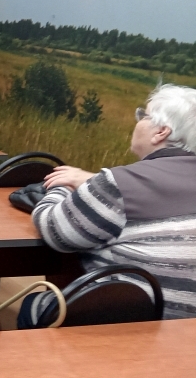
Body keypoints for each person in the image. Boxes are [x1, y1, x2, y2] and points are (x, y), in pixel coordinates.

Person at [21, 84, 196, 327]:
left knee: (33, 304)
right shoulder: (128, 184)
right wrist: (90, 181)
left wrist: (60, 187)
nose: (138, 122)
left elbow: (55, 231)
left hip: (136, 326)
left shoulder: (121, 183)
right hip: (186, 332)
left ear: (161, 132)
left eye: (143, 116)